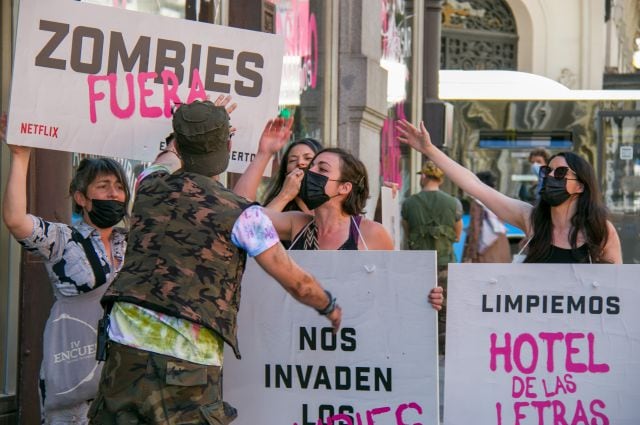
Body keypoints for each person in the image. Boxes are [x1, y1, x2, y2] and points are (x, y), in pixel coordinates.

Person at [88, 100, 342, 424]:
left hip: (124, 350)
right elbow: (298, 282)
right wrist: (330, 306)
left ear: (178, 144)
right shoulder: (243, 214)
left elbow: (166, 157)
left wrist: (190, 129)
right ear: (228, 146)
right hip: (187, 364)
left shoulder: (148, 185)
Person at [2, 112, 130, 424]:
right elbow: (17, 220)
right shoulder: (63, 239)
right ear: (82, 198)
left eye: (118, 187)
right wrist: (21, 156)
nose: (114, 193)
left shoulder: (132, 244)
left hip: (123, 376)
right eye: (103, 186)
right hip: (74, 370)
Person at [235, 134, 444, 309]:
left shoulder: (371, 233)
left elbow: (394, 288)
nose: (310, 172)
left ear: (344, 188)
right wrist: (265, 155)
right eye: (312, 166)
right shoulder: (296, 223)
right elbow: (239, 214)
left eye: (322, 169)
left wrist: (427, 297)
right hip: (299, 341)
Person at [397, 119, 623, 264]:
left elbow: (616, 292)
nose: (550, 176)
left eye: (561, 173)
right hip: (534, 335)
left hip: (582, 336)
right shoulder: (532, 219)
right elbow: (476, 186)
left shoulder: (600, 230)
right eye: (548, 171)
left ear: (581, 186)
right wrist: (429, 150)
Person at [400, 160, 462, 353]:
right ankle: (442, 348)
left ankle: (420, 346)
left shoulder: (409, 203)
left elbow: (406, 231)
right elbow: (458, 235)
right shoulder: (453, 203)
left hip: (418, 263)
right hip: (445, 261)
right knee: (444, 306)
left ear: (424, 177)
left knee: (419, 304)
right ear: (440, 179)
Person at [462, 171, 511, 263]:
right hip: (500, 243)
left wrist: (470, 255)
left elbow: (475, 229)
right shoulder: (499, 200)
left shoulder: (478, 203)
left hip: (484, 249)